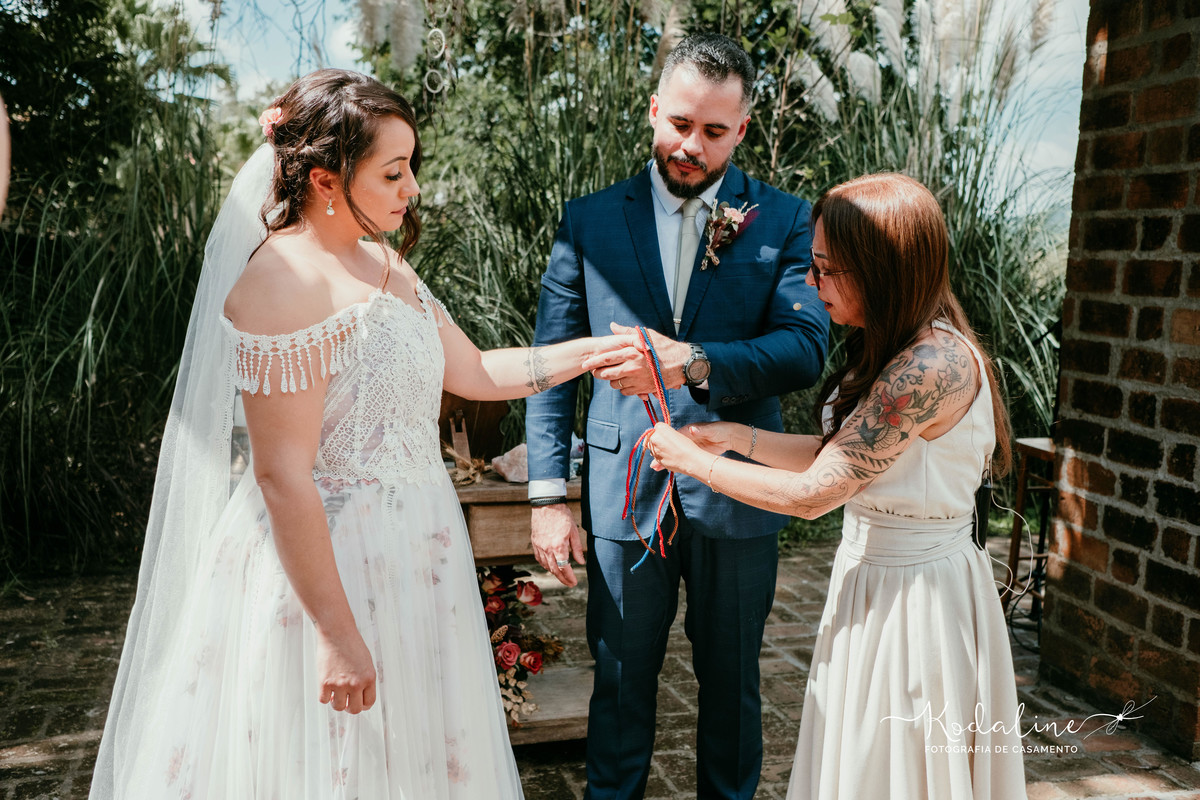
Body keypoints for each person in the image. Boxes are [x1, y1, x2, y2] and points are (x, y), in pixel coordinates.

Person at [89, 69, 631, 799]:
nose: (412, 189)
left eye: (413, 168)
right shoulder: (279, 283)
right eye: (394, 171)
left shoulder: (383, 260)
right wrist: (338, 638)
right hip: (329, 570)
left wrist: (598, 352)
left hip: (419, 553)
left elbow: (473, 371)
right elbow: (282, 475)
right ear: (325, 179)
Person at [644, 172, 1028, 799]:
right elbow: (841, 455)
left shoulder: (931, 366)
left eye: (826, 269)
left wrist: (690, 460)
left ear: (881, 268)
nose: (809, 282)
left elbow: (817, 493)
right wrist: (732, 436)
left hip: (917, 597)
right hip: (874, 577)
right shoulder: (895, 342)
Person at [525, 33, 830, 799]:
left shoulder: (787, 220)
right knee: (620, 682)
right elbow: (547, 370)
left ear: (743, 131)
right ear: (655, 109)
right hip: (623, 489)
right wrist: (547, 496)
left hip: (738, 488)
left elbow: (804, 347)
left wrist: (693, 361)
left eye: (714, 132)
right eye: (680, 124)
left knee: (732, 685)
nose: (690, 146)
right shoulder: (588, 221)